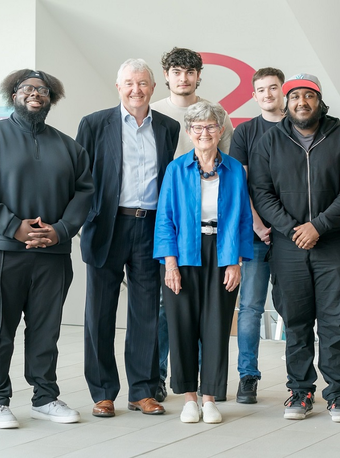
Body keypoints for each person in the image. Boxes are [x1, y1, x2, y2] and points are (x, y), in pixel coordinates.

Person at [0, 69, 94, 429]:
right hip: (2, 250)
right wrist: (13, 228)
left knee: (46, 329)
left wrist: (62, 230)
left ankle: (45, 398)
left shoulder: (69, 146)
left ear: (52, 98)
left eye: (44, 90)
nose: (35, 94)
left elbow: (84, 192)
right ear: (13, 94)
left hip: (52, 253)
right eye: (27, 89)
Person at [249, 74, 340, 422]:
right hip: (288, 246)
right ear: (287, 102)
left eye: (308, 96)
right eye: (295, 96)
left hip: (334, 245)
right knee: (296, 321)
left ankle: (338, 394)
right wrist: (292, 229)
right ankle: (299, 391)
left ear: (319, 100)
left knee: (334, 321)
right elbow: (261, 191)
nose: (301, 102)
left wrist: (320, 226)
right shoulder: (269, 142)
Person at [76, 59, 180, 418]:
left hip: (150, 227)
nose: (136, 90)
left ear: (153, 88)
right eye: (129, 84)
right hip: (108, 226)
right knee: (99, 314)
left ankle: (142, 390)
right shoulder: (93, 124)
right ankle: (103, 392)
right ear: (118, 87)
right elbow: (81, 178)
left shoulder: (168, 127)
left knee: (147, 313)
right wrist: (85, 220)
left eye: (143, 83)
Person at [154, 101, 253, 424]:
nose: (204, 133)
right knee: (181, 324)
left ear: (221, 131)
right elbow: (165, 219)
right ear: (189, 132)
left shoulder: (235, 169)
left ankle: (210, 397)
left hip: (222, 252)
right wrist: (170, 264)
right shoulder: (175, 169)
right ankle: (189, 399)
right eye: (197, 127)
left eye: (210, 126)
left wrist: (236, 261)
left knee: (216, 325)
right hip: (182, 254)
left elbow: (241, 219)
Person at [151, 47, 235, 402]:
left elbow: (231, 179)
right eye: (176, 71)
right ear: (167, 75)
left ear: (199, 75)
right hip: (171, 221)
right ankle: (162, 384)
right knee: (170, 310)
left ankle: (208, 390)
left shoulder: (220, 116)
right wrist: (168, 254)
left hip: (213, 223)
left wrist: (235, 257)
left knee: (213, 318)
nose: (183, 77)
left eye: (189, 71)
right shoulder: (154, 111)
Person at [228, 67, 285, 404]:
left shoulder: (297, 127)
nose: (267, 94)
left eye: (273, 88)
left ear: (282, 91)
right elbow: (240, 183)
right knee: (250, 308)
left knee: (293, 309)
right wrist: (258, 225)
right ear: (254, 95)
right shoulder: (246, 132)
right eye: (261, 90)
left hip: (292, 237)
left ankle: (298, 378)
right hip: (255, 236)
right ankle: (248, 376)